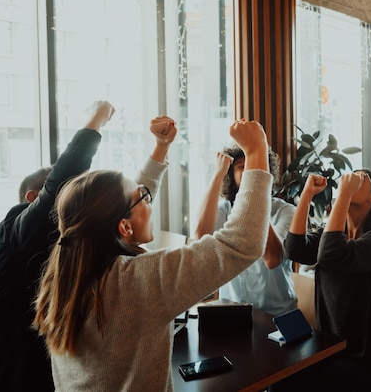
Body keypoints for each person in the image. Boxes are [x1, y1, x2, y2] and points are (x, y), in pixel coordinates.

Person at [33, 118, 273, 391]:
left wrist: (161, 148)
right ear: (124, 226)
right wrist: (256, 152)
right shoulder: (139, 280)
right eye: (144, 198)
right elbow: (241, 243)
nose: (150, 201)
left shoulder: (65, 273)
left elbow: (125, 202)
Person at [0, 101, 115, 392]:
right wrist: (95, 121)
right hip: (17, 372)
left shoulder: (39, 236)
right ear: (32, 198)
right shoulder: (15, 229)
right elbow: (58, 185)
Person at [270, 170, 371, 392]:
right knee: (277, 382)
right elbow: (294, 249)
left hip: (368, 363)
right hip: (331, 351)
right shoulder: (330, 235)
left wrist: (343, 195)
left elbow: (331, 254)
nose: (349, 179)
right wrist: (306, 195)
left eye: (359, 178)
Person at [194, 145, 297, 315]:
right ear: (231, 175)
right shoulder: (225, 209)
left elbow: (272, 259)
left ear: (267, 174)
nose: (250, 171)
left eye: (256, 167)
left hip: (279, 315)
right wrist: (217, 175)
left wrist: (255, 197)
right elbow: (201, 238)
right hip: (232, 313)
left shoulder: (286, 211)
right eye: (242, 166)